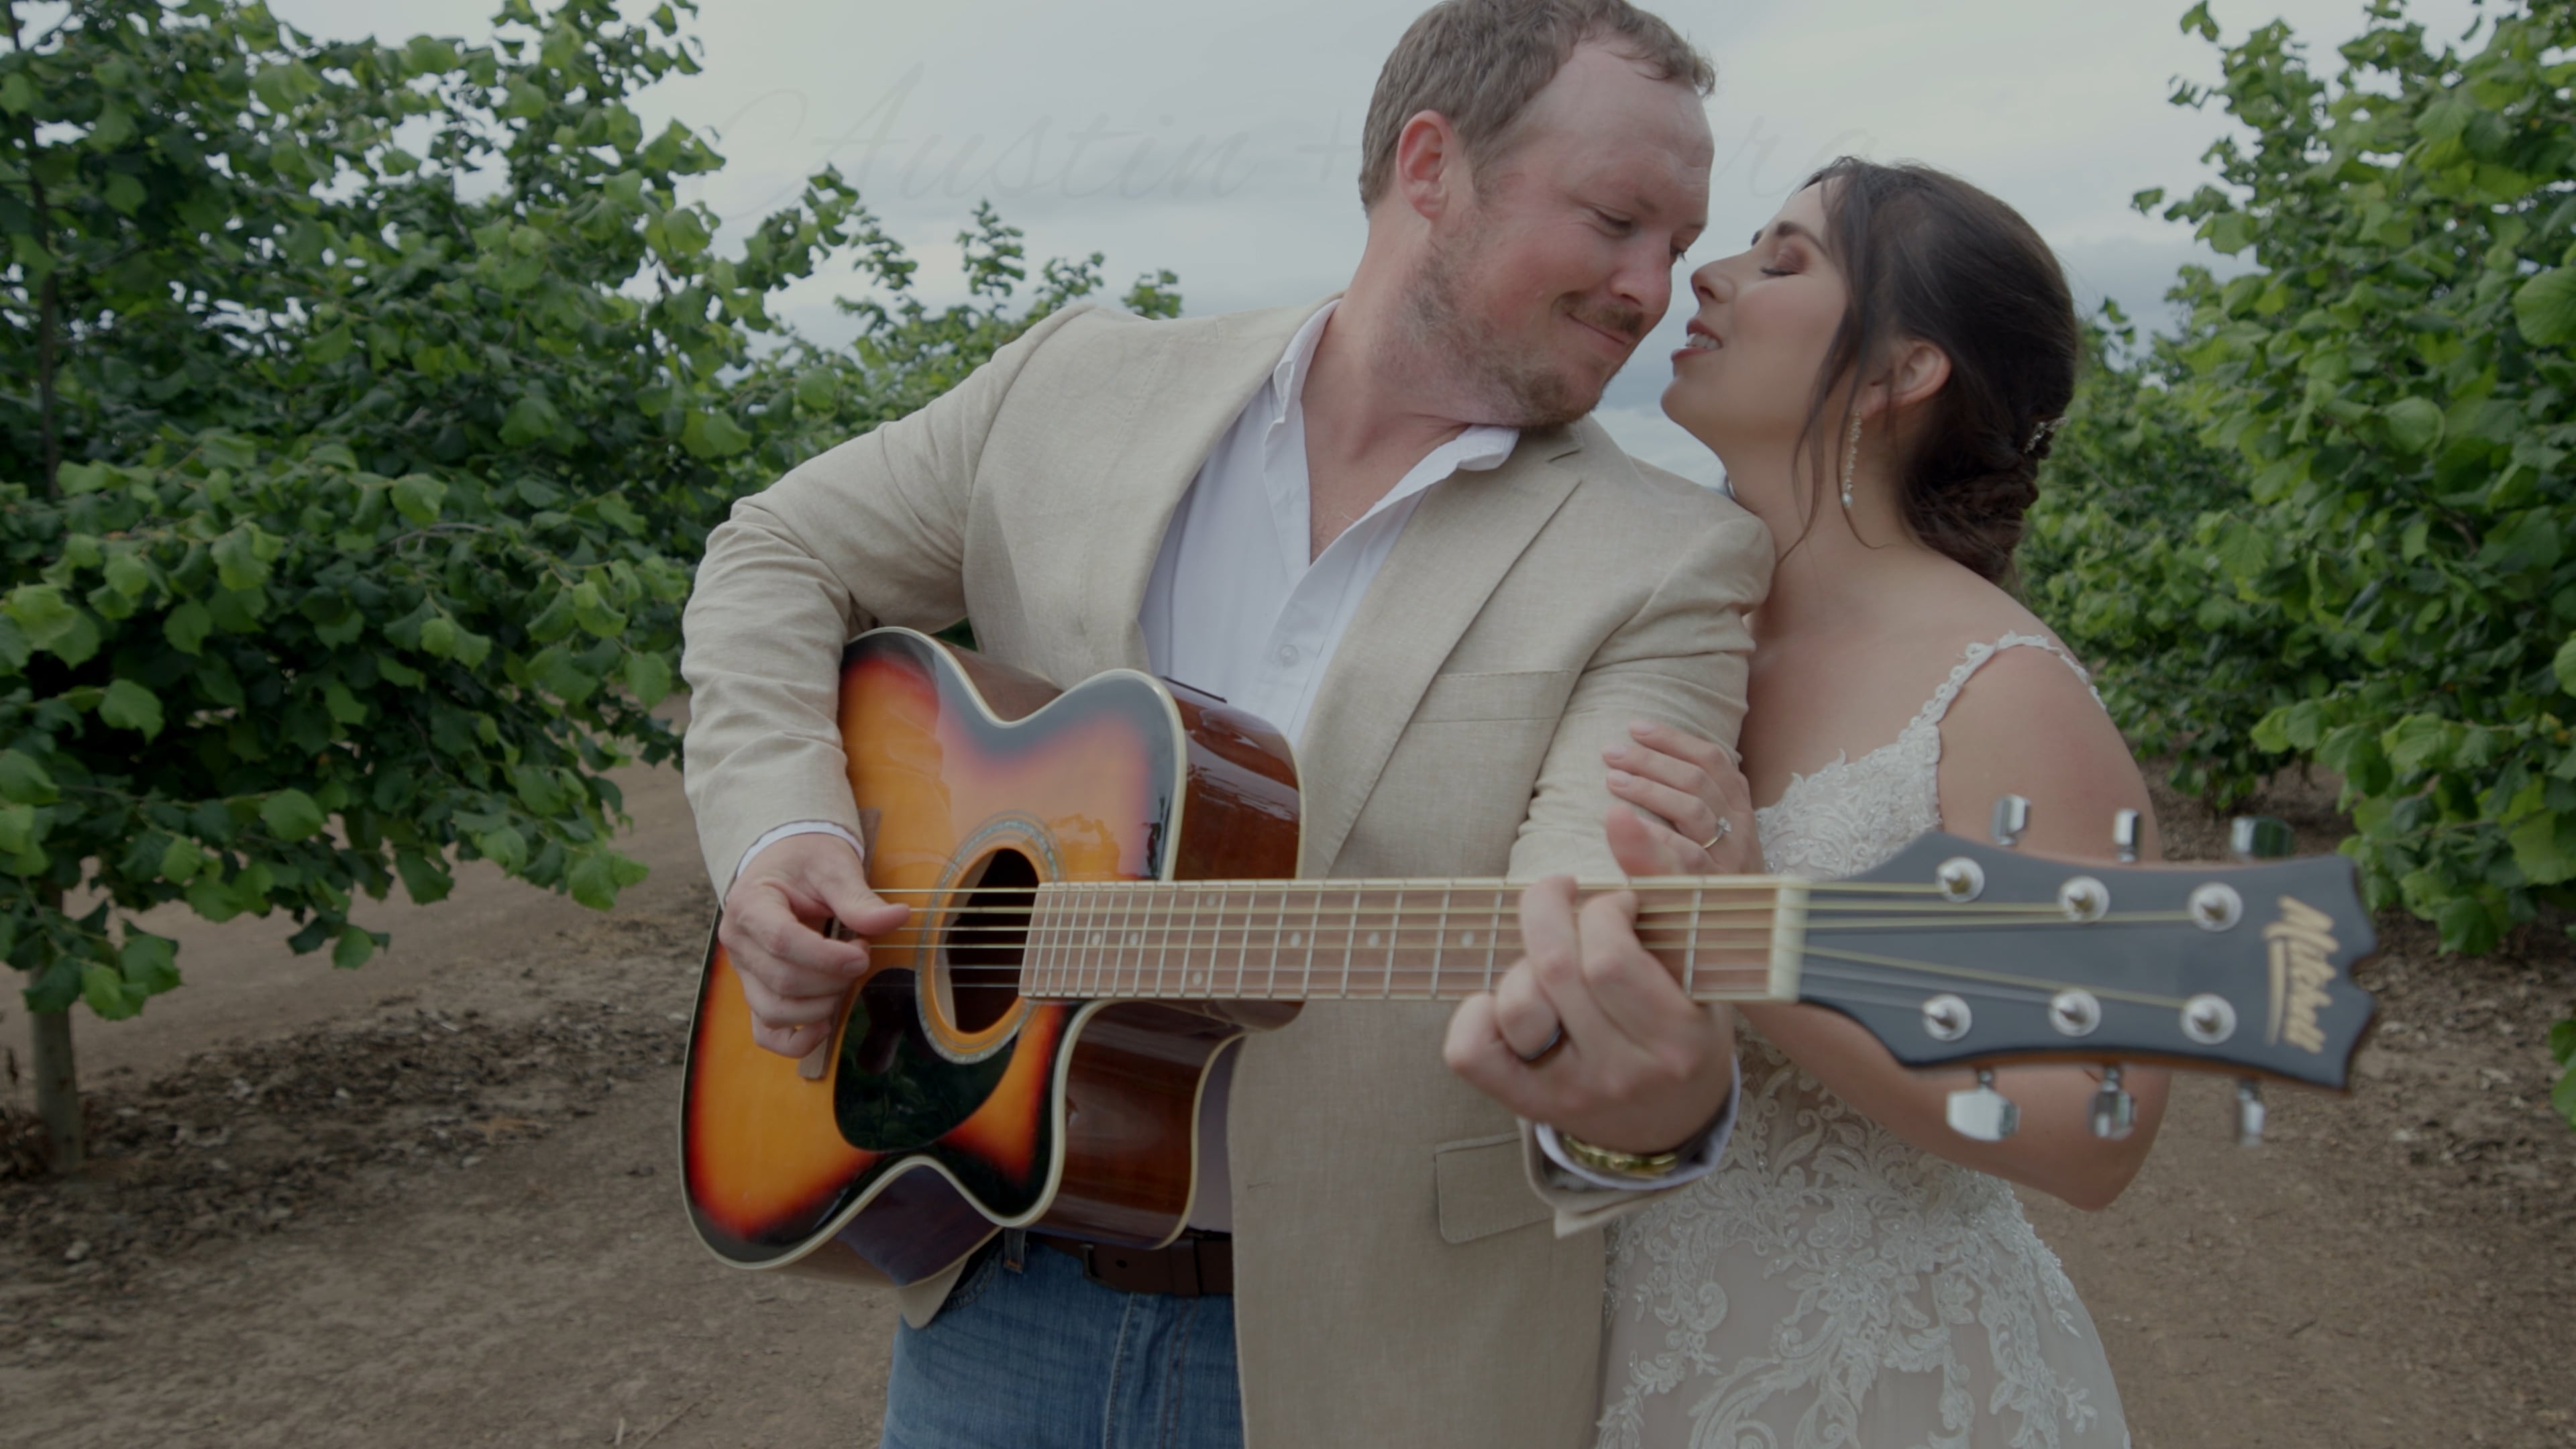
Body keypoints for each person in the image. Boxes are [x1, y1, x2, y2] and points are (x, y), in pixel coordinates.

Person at [678, 3, 1770, 1446]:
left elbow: (1587, 901)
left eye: (1679, 245)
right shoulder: (1069, 383)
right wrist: (786, 836)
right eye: (1620, 220)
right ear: (1431, 165)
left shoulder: (1675, 558)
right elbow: (773, 555)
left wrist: (1640, 1080)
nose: (1654, 288)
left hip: (1384, 1368)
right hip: (994, 1289)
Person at [1501, 160, 2167, 1448]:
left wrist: (1757, 937)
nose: (1707, 274)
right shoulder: (1665, 634)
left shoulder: (2003, 693)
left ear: (1901, 373)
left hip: (1878, 1384)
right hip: (1613, 1349)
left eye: (1784, 259)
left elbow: (2100, 1130)